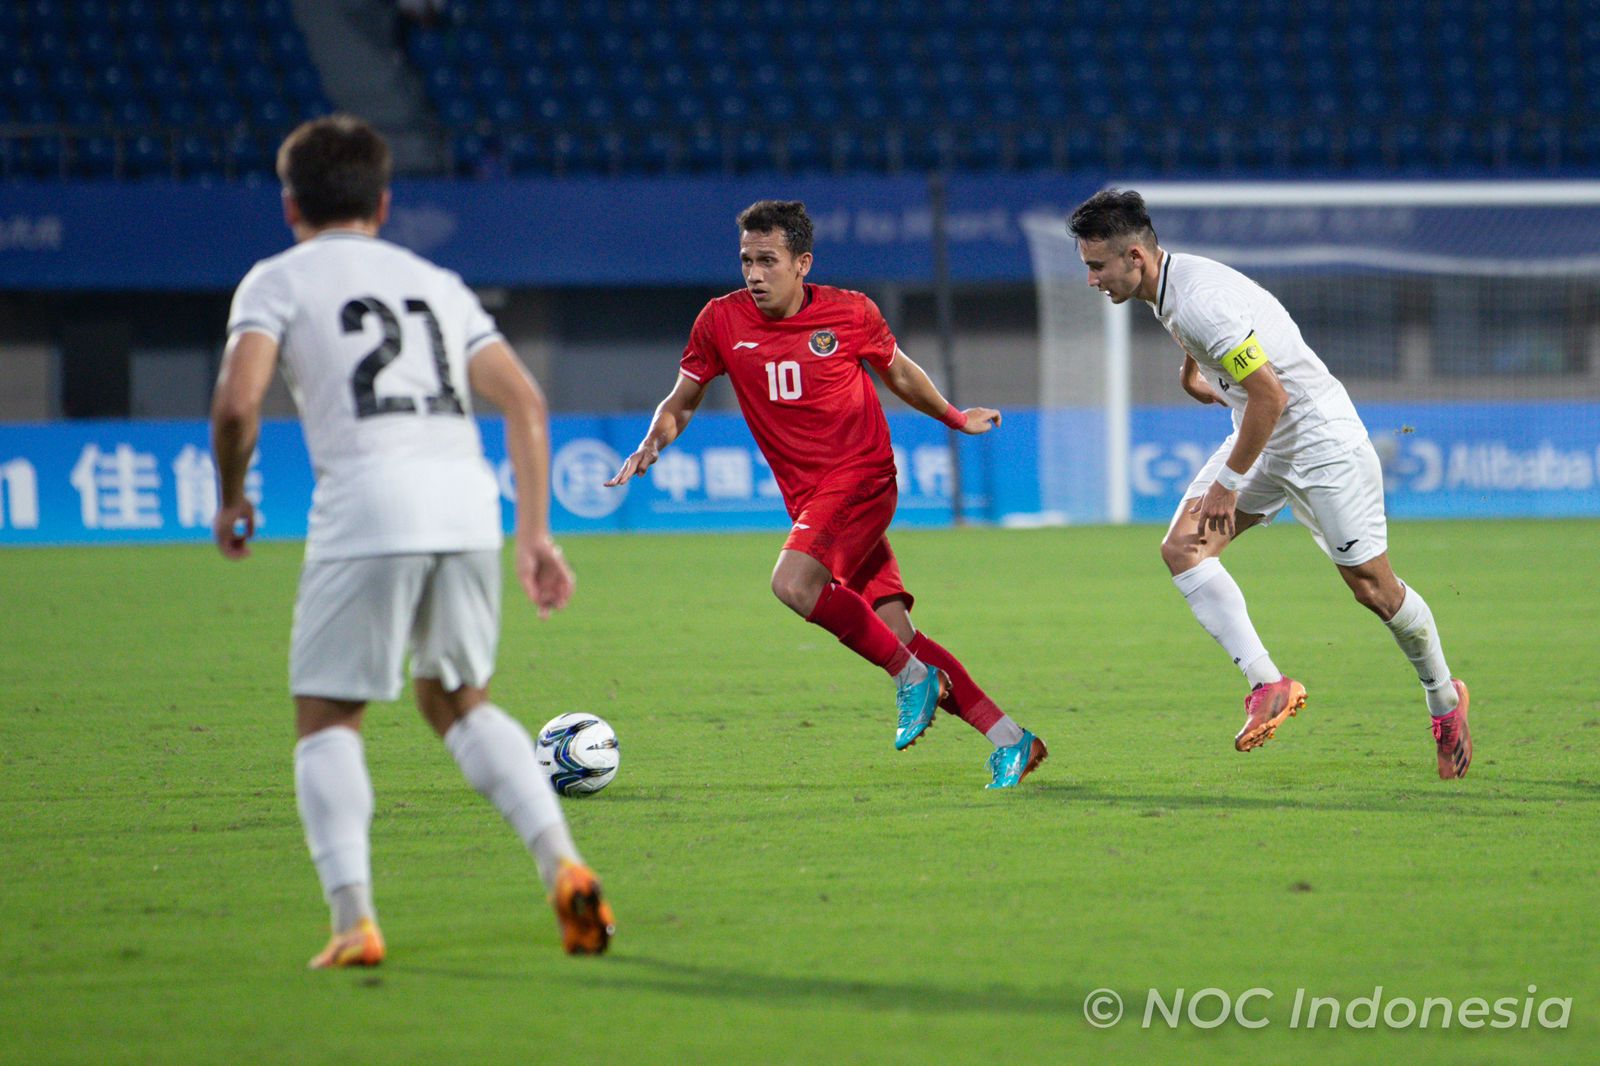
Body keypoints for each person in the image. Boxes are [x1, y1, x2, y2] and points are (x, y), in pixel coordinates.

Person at [210, 114, 614, 966]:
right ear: (384, 203)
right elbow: (528, 405)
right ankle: (564, 866)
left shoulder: (274, 281)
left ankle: (354, 921)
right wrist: (535, 535)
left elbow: (238, 405)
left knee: (329, 718)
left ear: (291, 206)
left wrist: (233, 496)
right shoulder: (436, 282)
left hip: (366, 507)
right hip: (464, 503)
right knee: (459, 700)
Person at [605, 200, 1047, 788]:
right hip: (812, 498)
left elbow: (899, 371)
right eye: (746, 261)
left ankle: (910, 678)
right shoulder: (721, 321)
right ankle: (1012, 740)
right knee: (898, 635)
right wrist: (652, 440)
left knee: (793, 583)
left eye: (768, 260)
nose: (754, 274)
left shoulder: (850, 313)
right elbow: (682, 397)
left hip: (861, 478)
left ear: (802, 263)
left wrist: (952, 416)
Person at [1066, 188, 1472, 779]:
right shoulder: (1170, 288)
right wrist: (1198, 377)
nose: (1091, 279)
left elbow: (1271, 394)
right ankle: (1269, 684)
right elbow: (1230, 360)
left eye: (1096, 266)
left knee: (1373, 589)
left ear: (1135, 256)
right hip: (1264, 433)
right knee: (1183, 548)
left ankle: (1444, 699)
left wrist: (1229, 482)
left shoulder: (1199, 300)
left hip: (1320, 443)